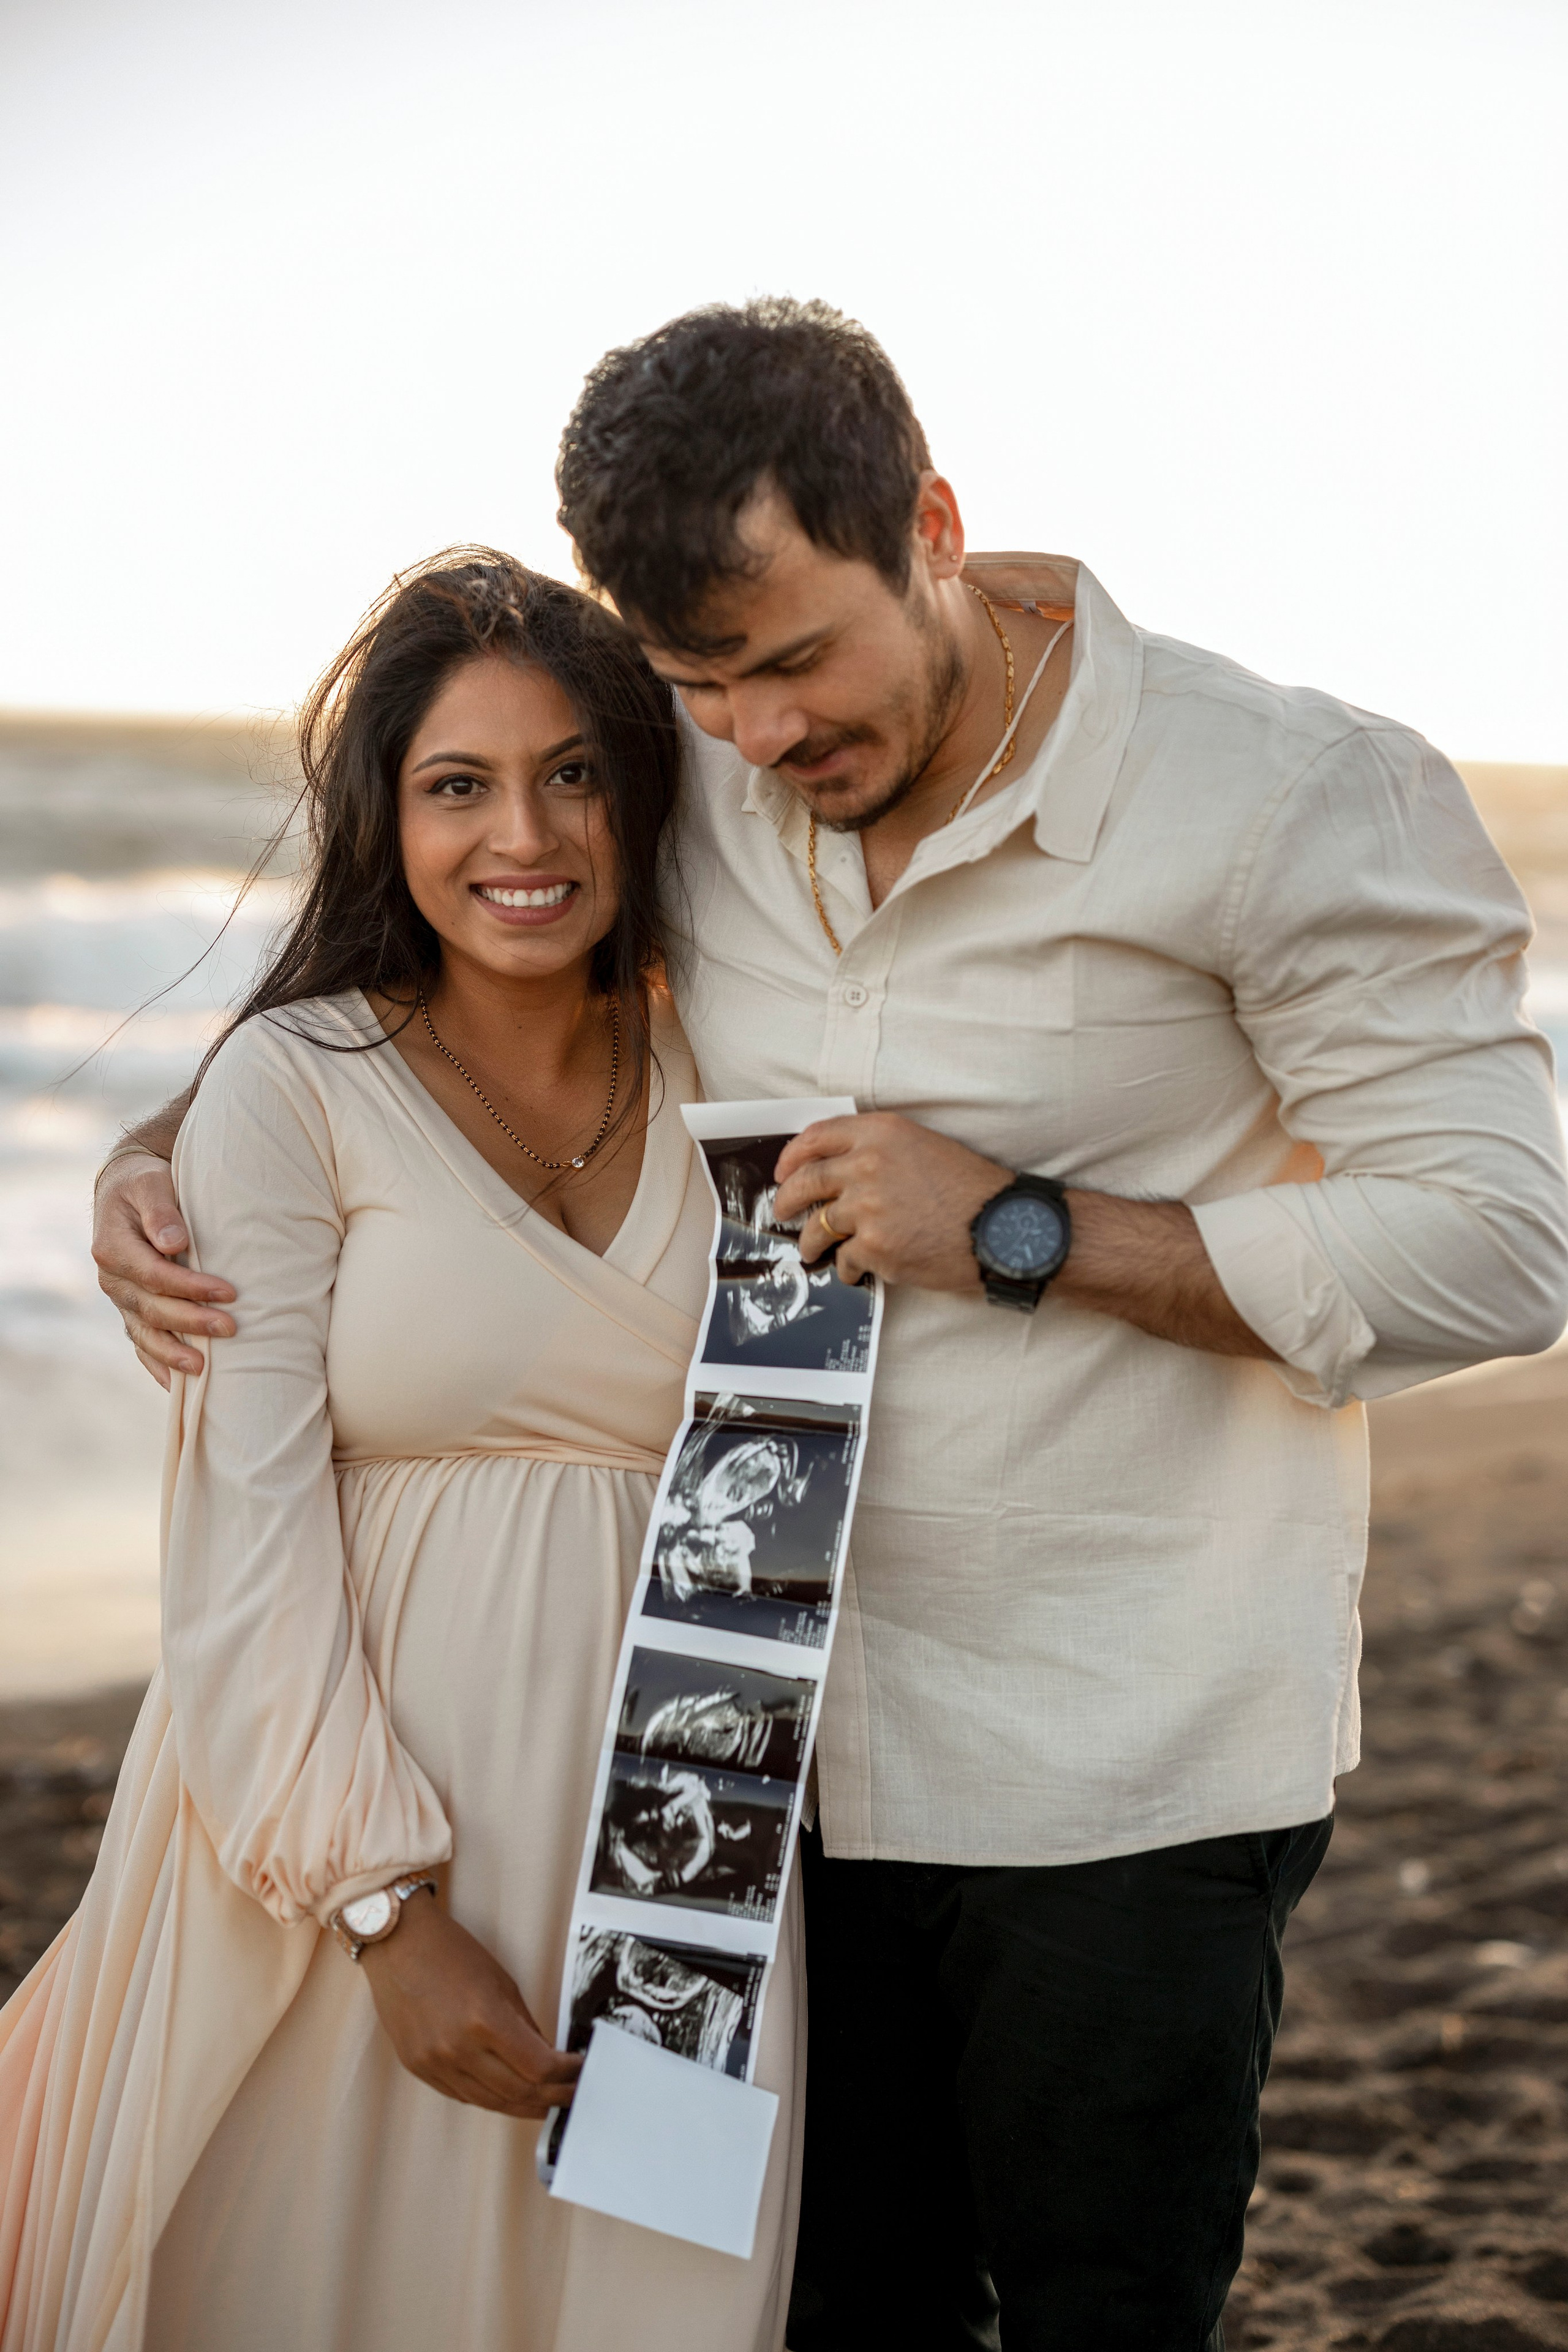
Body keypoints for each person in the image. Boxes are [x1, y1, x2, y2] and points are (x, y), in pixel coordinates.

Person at [91, 301, 1568, 2350]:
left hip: (1118, 1757)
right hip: (734, 1764)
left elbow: (1505, 1241)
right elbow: (453, 960)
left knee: (1104, 2315)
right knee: (815, 2316)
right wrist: (171, 1143)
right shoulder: (696, 760)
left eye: (794, 660)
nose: (759, 733)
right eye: (700, 682)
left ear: (934, 529)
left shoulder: (1290, 798)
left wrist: (1027, 1231)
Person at [0, 553, 802, 2352]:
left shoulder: (736, 1072)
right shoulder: (293, 1084)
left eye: (574, 772)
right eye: (459, 784)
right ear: (388, 818)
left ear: (643, 794)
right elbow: (246, 1531)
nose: (524, 835)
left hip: (691, 1845)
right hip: (328, 1838)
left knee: (643, 2304)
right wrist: (385, 1909)